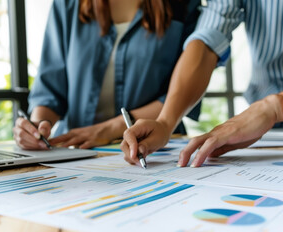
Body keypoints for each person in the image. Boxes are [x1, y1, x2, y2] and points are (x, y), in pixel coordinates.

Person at [14, 0, 201, 150]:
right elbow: (50, 91)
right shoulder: (67, 4)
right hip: (76, 148)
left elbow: (184, 89)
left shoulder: (183, 5)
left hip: (151, 144)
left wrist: (108, 129)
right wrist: (37, 128)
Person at [121, 0, 283, 166]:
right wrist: (165, 123)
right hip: (270, 130)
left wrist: (275, 106)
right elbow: (208, 37)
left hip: (270, 114)